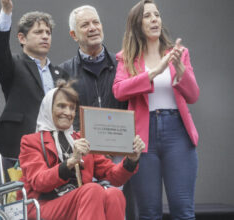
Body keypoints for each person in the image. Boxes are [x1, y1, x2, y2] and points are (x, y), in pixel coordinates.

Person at [112, 0, 199, 219]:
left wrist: (180, 71)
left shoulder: (179, 53)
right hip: (143, 137)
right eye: (148, 16)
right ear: (137, 24)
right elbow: (119, 91)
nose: (154, 20)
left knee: (183, 209)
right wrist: (154, 72)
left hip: (177, 132)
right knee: (149, 212)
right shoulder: (126, 57)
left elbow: (193, 95)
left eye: (157, 15)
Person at [19, 80, 145, 220]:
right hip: (45, 203)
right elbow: (39, 182)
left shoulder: (83, 138)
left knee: (114, 194)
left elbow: (113, 176)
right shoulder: (31, 141)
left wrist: (131, 160)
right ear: (48, 108)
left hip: (83, 200)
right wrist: (70, 162)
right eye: (61, 106)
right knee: (92, 189)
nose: (67, 113)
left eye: (72, 108)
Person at [58, 5, 137, 219]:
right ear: (73, 35)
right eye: (85, 25)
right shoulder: (64, 71)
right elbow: (63, 117)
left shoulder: (124, 64)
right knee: (92, 210)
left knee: (123, 209)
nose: (92, 28)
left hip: (122, 154)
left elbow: (135, 105)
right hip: (86, 157)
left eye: (96, 22)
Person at [0, 0, 68, 161]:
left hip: (56, 148)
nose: (45, 36)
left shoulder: (61, 73)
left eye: (48, 32)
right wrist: (6, 11)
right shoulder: (13, 64)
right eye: (38, 32)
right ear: (22, 38)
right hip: (20, 147)